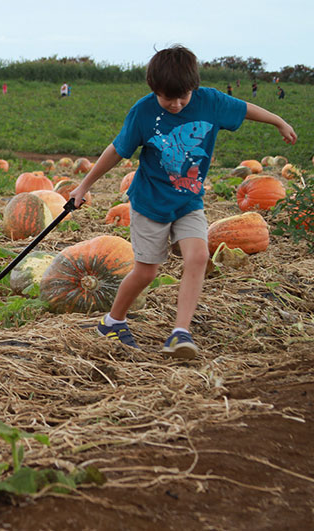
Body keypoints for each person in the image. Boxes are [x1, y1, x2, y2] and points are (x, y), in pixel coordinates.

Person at [70, 45, 296, 360]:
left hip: (189, 201)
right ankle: (113, 321)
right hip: (150, 204)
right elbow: (116, 150)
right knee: (147, 272)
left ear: (194, 88)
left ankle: (180, 332)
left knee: (198, 256)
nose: (175, 104)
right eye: (167, 98)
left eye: (183, 98)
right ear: (154, 90)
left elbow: (246, 109)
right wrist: (83, 185)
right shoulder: (144, 112)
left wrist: (278, 122)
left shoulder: (211, 102)